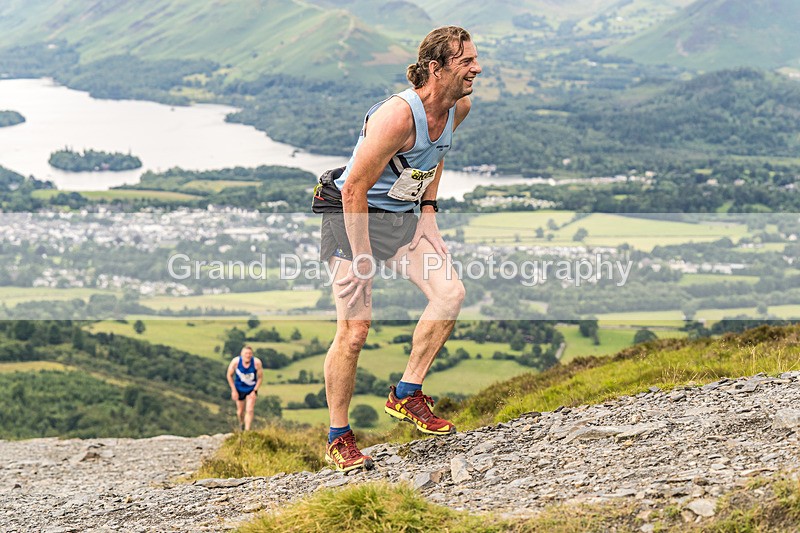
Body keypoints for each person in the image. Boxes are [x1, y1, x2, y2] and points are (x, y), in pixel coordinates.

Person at [314, 26, 481, 472]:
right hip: (352, 216)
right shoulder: (398, 116)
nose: (476, 69)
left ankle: (407, 393)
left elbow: (435, 156)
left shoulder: (457, 106)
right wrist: (363, 259)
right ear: (436, 68)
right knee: (355, 330)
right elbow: (353, 188)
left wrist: (428, 212)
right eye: (466, 62)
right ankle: (338, 437)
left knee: (450, 295)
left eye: (474, 60)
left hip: (403, 219)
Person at [226, 345, 263, 431]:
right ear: (242, 354)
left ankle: (247, 430)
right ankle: (241, 424)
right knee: (240, 412)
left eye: (250, 353)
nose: (248, 355)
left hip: (251, 389)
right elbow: (229, 375)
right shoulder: (235, 362)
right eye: (246, 353)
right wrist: (233, 390)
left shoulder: (256, 363)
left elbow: (260, 377)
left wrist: (255, 390)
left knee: (249, 410)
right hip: (239, 388)